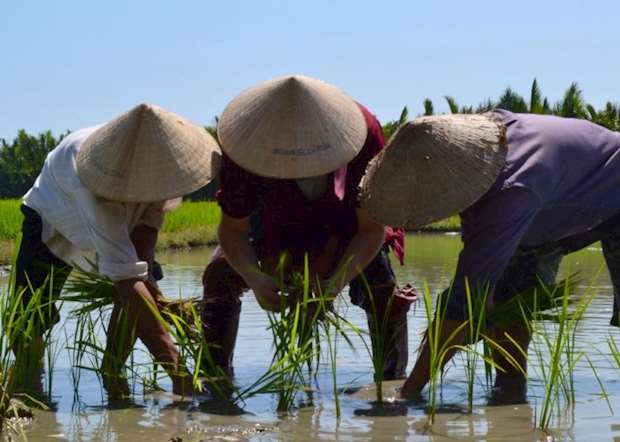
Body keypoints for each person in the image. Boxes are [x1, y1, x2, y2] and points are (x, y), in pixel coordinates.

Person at [359, 110, 620, 401]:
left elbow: (464, 298)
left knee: (478, 302)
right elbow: (480, 267)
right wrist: (484, 303)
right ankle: (510, 394)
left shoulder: (512, 189)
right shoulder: (476, 148)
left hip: (607, 191)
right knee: (511, 301)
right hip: (552, 201)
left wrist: (407, 394)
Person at [200, 75, 415, 380]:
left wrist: (334, 284)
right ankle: (214, 383)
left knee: (379, 284)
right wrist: (256, 278)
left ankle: (391, 384)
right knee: (220, 274)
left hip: (346, 218)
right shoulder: (243, 142)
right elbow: (234, 230)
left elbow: (370, 229)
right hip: (273, 214)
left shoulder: (363, 133)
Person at [15, 103, 220, 397]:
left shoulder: (165, 169)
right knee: (29, 316)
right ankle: (29, 387)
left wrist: (152, 288)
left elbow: (144, 242)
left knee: (139, 285)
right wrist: (179, 372)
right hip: (53, 215)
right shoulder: (92, 176)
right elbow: (126, 280)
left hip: (118, 214)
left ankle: (112, 374)